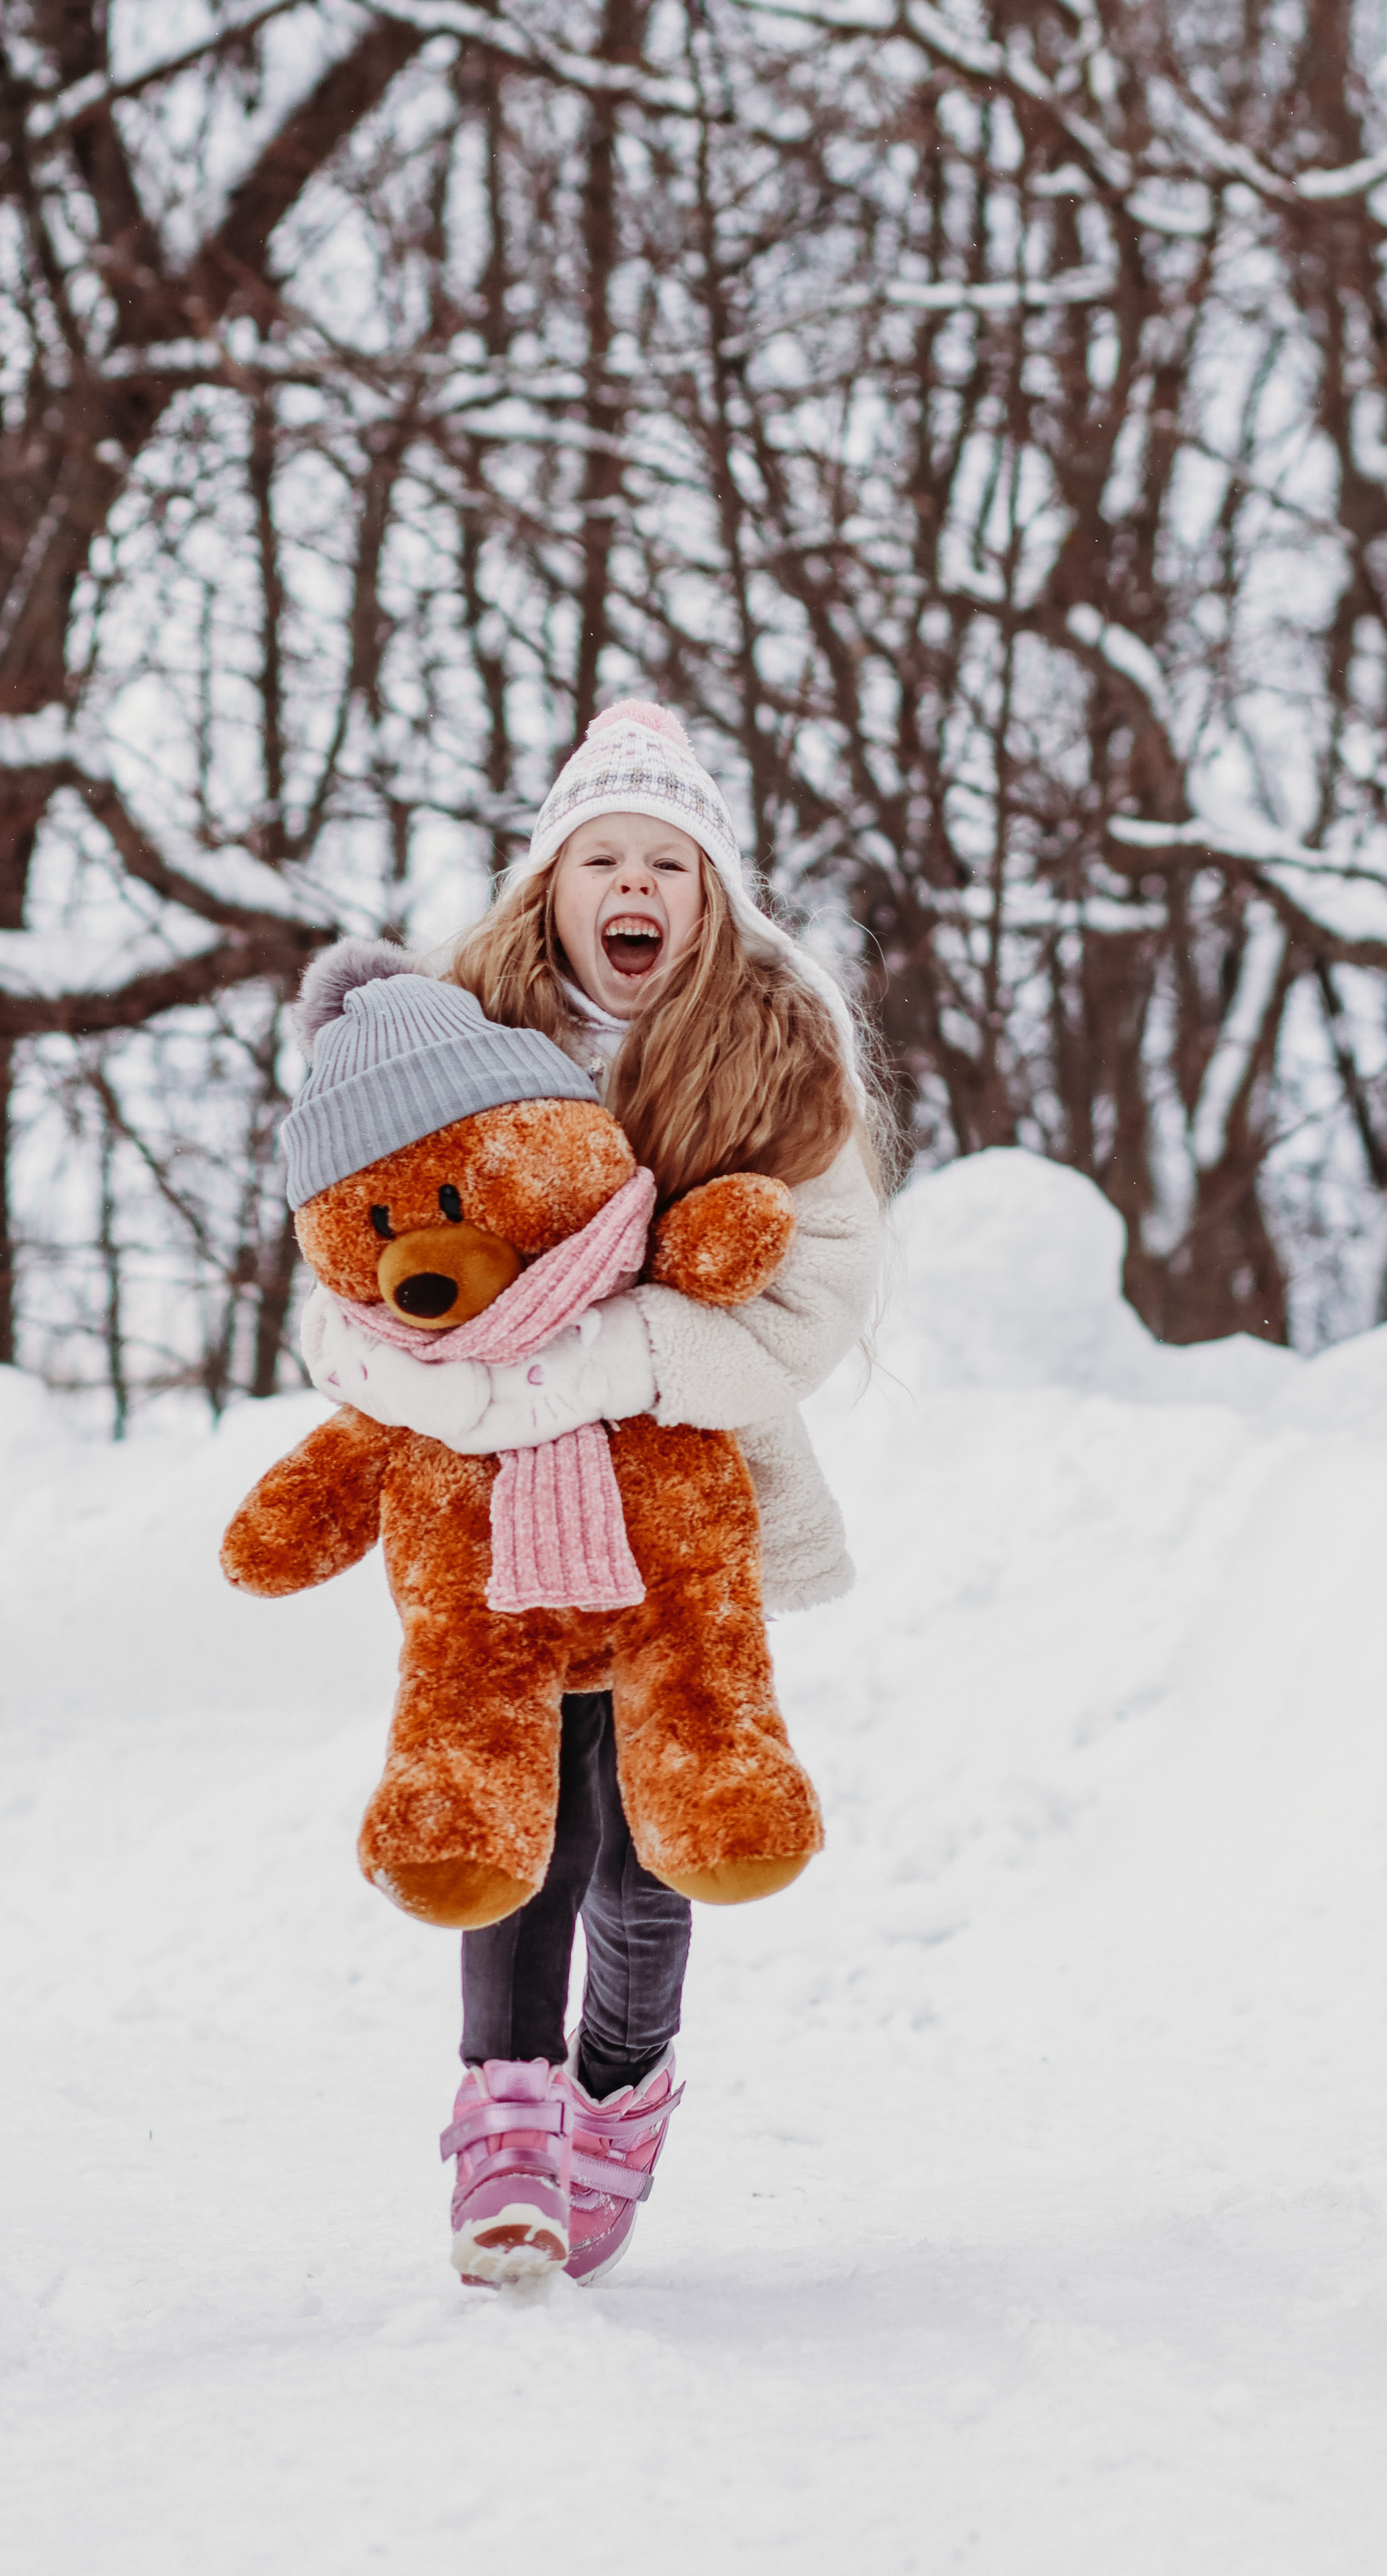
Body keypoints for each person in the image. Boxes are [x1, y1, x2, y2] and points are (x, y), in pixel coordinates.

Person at [299, 702, 884, 2287]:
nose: (635, 885)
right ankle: (504, 2130)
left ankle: (618, 2089)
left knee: (641, 1836)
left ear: (710, 897)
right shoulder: (443, 1034)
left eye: (668, 864)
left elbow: (809, 1304)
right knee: (527, 1801)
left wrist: (608, 1352)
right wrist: (444, 1383)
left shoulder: (777, 1053)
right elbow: (351, 1256)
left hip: (690, 1500)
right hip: (497, 1497)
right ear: (548, 887)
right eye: (601, 857)